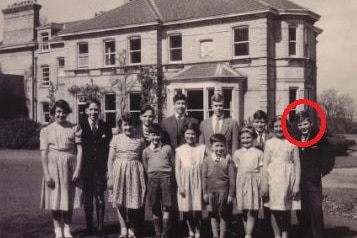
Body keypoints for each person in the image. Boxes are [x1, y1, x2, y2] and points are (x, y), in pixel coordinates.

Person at [40, 100, 82, 238]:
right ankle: (57, 229)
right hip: (53, 166)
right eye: (58, 112)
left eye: (64, 112)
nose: (61, 114)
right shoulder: (46, 130)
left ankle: (67, 229)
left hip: (70, 166)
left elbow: (80, 150)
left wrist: (78, 170)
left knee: (69, 199)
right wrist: (46, 174)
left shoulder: (74, 128)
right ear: (53, 113)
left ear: (68, 113)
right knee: (55, 199)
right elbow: (44, 153)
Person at [294, 110, 334, 238]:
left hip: (314, 180)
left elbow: (329, 156)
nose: (303, 127)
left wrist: (322, 171)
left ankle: (318, 235)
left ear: (310, 123)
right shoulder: (295, 139)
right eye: (300, 125)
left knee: (316, 209)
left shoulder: (319, 137)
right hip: (300, 180)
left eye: (305, 124)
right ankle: (305, 235)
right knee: (302, 210)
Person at [107, 113, 146, 238]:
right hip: (119, 171)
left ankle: (132, 228)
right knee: (120, 202)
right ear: (121, 126)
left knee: (134, 201)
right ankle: (123, 228)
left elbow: (144, 158)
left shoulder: (140, 140)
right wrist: (110, 177)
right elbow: (110, 159)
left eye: (130, 125)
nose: (127, 127)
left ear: (134, 126)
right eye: (125, 125)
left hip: (135, 172)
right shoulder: (116, 139)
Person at [261, 116, 301, 238]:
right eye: (276, 126)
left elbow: (297, 163)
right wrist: (264, 183)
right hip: (273, 179)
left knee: (286, 209)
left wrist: (296, 184)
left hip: (288, 179)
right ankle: (277, 235)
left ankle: (285, 234)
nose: (279, 129)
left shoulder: (293, 143)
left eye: (282, 126)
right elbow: (265, 164)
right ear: (272, 128)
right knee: (274, 209)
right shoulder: (269, 143)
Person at [79, 98, 112, 235]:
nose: (94, 112)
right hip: (86, 168)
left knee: (99, 197)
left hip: (100, 169)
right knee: (88, 199)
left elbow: (109, 149)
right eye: (91, 109)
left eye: (96, 109)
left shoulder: (105, 126)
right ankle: (89, 227)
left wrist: (107, 169)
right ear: (86, 111)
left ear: (100, 111)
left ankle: (100, 227)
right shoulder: (80, 126)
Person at [142, 124, 174, 238]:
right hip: (153, 181)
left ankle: (164, 233)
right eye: (153, 135)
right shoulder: (145, 151)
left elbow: (173, 163)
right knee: (155, 206)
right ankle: (157, 232)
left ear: (161, 136)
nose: (155, 138)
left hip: (166, 180)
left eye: (157, 135)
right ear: (149, 136)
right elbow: (146, 167)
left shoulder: (167, 148)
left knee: (166, 206)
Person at [175, 122, 206, 238]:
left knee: (198, 208)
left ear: (197, 135)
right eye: (188, 133)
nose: (190, 136)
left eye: (193, 134)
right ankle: (190, 230)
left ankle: (198, 231)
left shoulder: (202, 148)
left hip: (198, 180)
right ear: (184, 134)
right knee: (186, 208)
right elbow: (177, 169)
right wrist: (180, 185)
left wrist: (225, 156)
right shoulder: (180, 150)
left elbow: (213, 156)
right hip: (185, 181)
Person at [202, 134, 235, 238]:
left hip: (223, 193)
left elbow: (232, 179)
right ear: (211, 147)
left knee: (223, 215)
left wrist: (230, 195)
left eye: (221, 146)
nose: (219, 148)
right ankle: (215, 235)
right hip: (211, 192)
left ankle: (222, 235)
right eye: (216, 146)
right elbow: (204, 177)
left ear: (225, 147)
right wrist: (205, 193)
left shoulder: (228, 160)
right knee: (213, 215)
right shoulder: (207, 160)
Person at [233, 126, 264, 238]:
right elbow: (235, 170)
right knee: (245, 209)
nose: (245, 140)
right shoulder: (237, 153)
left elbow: (261, 170)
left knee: (253, 208)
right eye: (243, 138)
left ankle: (248, 234)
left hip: (254, 181)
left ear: (253, 138)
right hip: (241, 181)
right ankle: (248, 233)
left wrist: (261, 184)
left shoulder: (259, 153)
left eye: (248, 137)